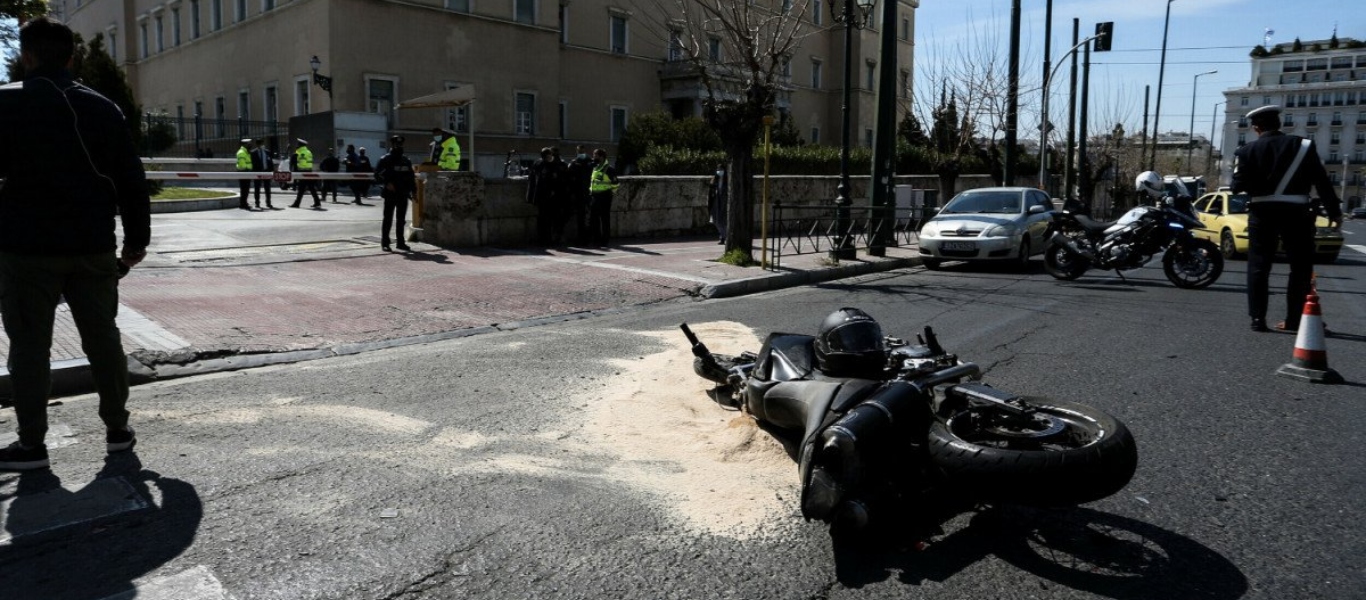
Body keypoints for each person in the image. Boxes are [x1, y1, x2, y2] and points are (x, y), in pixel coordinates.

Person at [0, 17, 150, 470]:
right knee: (103, 339)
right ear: (72, 56)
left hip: (25, 250)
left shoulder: (4, 105)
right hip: (93, 245)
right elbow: (131, 179)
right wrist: (136, 242)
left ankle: (31, 445)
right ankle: (118, 430)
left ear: (26, 56)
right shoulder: (104, 108)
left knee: (28, 346)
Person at [1231, 105, 1343, 333]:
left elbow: (1236, 187)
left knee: (1259, 267)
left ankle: (1257, 319)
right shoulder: (1303, 146)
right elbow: (1321, 181)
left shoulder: (1246, 151)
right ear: (1280, 124)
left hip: (1262, 213)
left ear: (1255, 128)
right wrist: (1334, 212)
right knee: (1300, 267)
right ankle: (1293, 320)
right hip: (1297, 213)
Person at [374, 135, 415, 252]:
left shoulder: (406, 160)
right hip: (390, 194)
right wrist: (386, 183)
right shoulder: (385, 159)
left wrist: (414, 191)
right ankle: (385, 243)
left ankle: (400, 242)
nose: (399, 146)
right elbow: (377, 175)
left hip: (403, 194)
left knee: (401, 220)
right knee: (388, 219)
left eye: (400, 144)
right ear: (392, 145)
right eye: (396, 144)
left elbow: (411, 177)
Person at [525, 147, 563, 245]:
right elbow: (550, 180)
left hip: (538, 196)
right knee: (549, 219)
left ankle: (542, 238)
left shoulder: (537, 163)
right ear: (547, 155)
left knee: (542, 218)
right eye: (550, 154)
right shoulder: (548, 165)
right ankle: (547, 239)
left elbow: (532, 179)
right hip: (547, 196)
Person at [587, 148, 620, 247]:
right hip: (595, 196)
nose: (593, 157)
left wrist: (609, 194)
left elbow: (616, 184)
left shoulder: (608, 169)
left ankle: (604, 240)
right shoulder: (595, 167)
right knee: (594, 219)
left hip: (604, 197)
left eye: (595, 155)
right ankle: (596, 239)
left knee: (604, 219)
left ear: (601, 157)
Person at [564, 145, 595, 243]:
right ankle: (588, 237)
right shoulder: (591, 163)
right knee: (588, 216)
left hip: (579, 194)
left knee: (581, 217)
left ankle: (582, 237)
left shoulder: (575, 163)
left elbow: (568, 177)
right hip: (589, 193)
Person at [289, 138, 323, 209]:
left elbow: (298, 163)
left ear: (300, 145)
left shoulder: (299, 153)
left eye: (297, 144)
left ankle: (297, 203)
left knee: (301, 189)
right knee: (311, 188)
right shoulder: (308, 152)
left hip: (302, 172)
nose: (296, 145)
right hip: (309, 171)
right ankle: (317, 202)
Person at [250, 138, 275, 209]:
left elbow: (270, 163)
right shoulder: (253, 153)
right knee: (257, 188)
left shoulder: (267, 152)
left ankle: (268, 203)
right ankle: (257, 203)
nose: (261, 145)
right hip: (257, 173)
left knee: (267, 188)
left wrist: (272, 172)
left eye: (262, 144)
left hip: (266, 172)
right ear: (257, 145)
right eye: (260, 144)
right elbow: (252, 164)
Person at [707, 163, 728, 244]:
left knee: (723, 220)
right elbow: (710, 191)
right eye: (718, 170)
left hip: (724, 201)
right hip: (716, 201)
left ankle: (723, 237)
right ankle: (723, 235)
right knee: (715, 219)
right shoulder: (714, 179)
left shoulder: (728, 180)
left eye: (721, 170)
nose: (719, 171)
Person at [235, 138, 253, 210]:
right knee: (244, 189)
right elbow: (242, 165)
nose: (250, 145)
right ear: (245, 144)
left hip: (246, 172)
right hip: (244, 172)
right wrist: (248, 169)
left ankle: (244, 202)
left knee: (246, 189)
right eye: (249, 144)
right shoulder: (242, 152)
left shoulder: (246, 152)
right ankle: (243, 203)